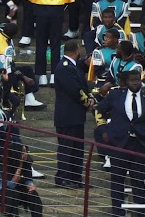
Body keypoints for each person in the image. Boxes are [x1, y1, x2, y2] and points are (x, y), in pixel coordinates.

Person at [98, 69, 145, 217]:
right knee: (117, 180)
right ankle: (117, 212)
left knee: (138, 181)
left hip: (140, 145)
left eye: (138, 80)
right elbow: (99, 111)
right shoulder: (115, 95)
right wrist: (104, 130)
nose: (135, 83)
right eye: (132, 80)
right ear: (126, 81)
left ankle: (141, 212)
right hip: (119, 144)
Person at [52, 38, 93, 188]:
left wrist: (89, 98)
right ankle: (62, 178)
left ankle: (75, 178)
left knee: (77, 149)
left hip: (75, 116)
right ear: (77, 50)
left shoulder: (72, 65)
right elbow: (74, 90)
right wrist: (87, 102)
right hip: (67, 116)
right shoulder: (64, 67)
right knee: (67, 148)